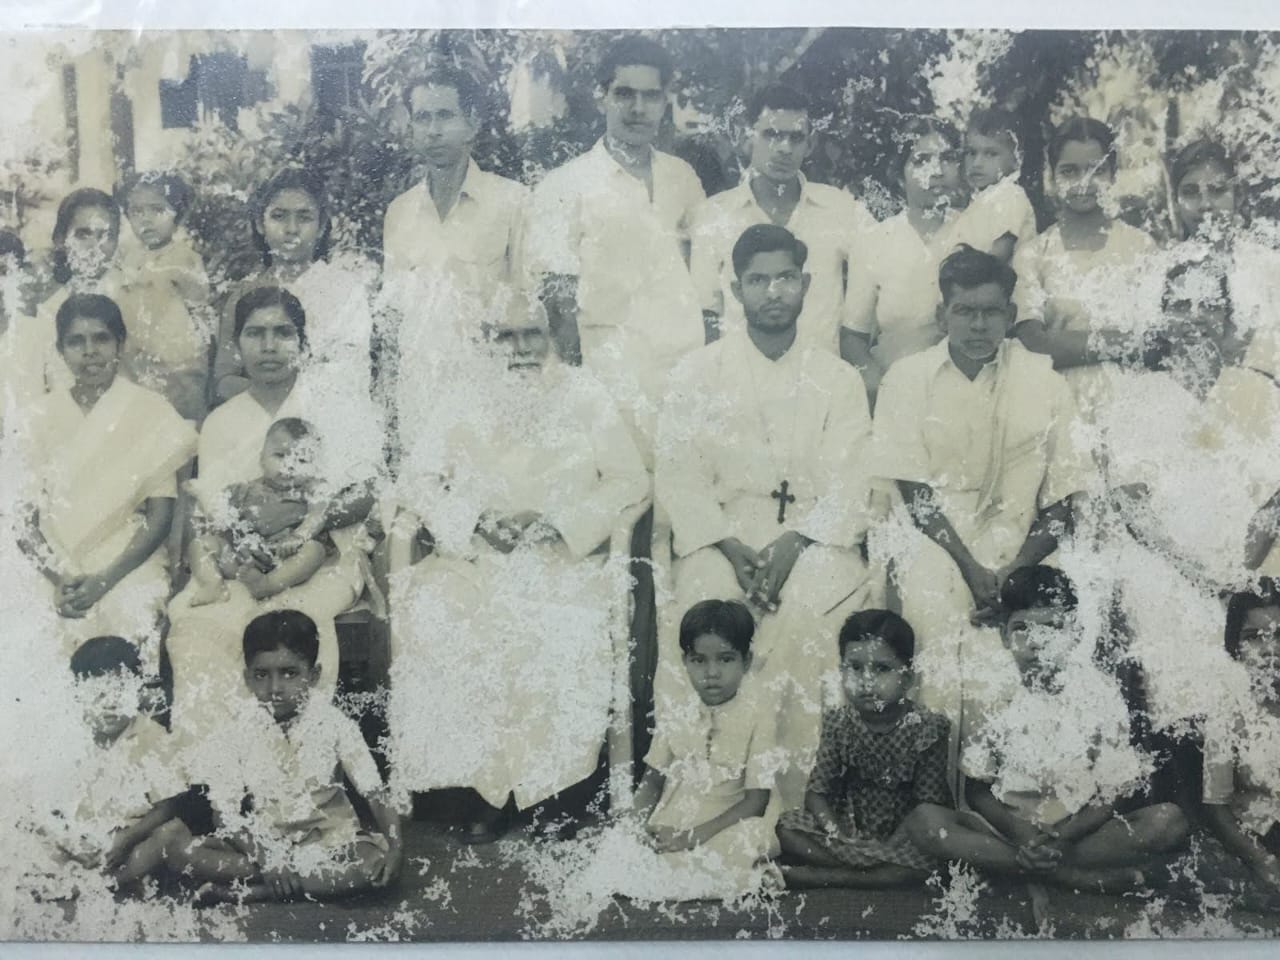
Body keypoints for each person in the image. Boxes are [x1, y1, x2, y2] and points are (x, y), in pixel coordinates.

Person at [388, 291, 648, 842]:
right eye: (506, 336)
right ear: (487, 342)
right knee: (448, 617)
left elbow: (630, 481)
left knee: (554, 631)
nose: (521, 348)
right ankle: (483, 793)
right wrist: (475, 518)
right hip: (476, 557)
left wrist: (557, 520)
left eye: (532, 334)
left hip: (560, 559)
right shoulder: (460, 396)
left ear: (552, 338)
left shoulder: (584, 394)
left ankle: (553, 794)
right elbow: (417, 480)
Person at [655, 223, 878, 811]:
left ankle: (803, 801)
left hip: (812, 536)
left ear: (806, 285)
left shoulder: (838, 379)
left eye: (785, 279)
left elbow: (854, 479)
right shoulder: (695, 374)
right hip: (723, 534)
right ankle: (703, 796)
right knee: (701, 605)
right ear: (736, 289)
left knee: (809, 614)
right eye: (758, 280)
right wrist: (730, 546)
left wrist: (794, 542)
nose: (773, 292)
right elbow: (678, 473)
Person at [869, 245, 1091, 773]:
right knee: (933, 619)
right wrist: (973, 569)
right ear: (943, 314)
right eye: (965, 311)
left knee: (1034, 639)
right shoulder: (908, 378)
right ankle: (938, 796)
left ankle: (1021, 801)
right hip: (937, 542)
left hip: (1024, 543)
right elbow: (915, 495)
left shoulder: (1044, 382)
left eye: (991, 311)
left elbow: (1064, 499)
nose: (978, 324)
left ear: (1011, 317)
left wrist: (1017, 571)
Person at [908, 567, 1189, 909]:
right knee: (924, 821)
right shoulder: (993, 694)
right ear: (1003, 635)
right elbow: (977, 789)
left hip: (1077, 833)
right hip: (1008, 832)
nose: (1036, 641)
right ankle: (1071, 877)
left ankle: (1019, 869)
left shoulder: (1098, 693)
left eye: (1052, 628)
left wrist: (1063, 840)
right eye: (1021, 628)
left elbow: (1113, 790)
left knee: (1167, 820)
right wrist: (1023, 837)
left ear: (1075, 633)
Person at [167, 287, 375, 743]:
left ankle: (297, 781)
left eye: (283, 332)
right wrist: (242, 544)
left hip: (320, 556)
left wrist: (307, 528)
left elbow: (365, 493)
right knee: (198, 626)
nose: (269, 346)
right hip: (242, 558)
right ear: (236, 345)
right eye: (255, 333)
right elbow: (215, 507)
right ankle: (217, 777)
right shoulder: (222, 419)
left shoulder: (337, 403)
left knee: (292, 626)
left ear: (303, 341)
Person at [160, 611, 401, 906]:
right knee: (181, 854)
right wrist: (270, 858)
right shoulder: (235, 731)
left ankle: (254, 892)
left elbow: (375, 793)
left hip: (333, 841)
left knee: (370, 866)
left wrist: (396, 847)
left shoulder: (334, 723)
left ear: (313, 676)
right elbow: (224, 814)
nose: (275, 688)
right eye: (262, 675)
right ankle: (289, 879)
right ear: (247, 678)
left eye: (289, 673)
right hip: (267, 845)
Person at [14, 294, 196, 669]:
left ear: (120, 344)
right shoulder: (37, 417)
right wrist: (58, 575)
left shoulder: (151, 410)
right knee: (31, 624)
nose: (90, 351)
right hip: (54, 555)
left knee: (129, 612)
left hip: (125, 559)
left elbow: (160, 517)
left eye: (101, 339)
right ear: (61, 350)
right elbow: (23, 517)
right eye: (76, 341)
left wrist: (105, 579)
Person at [687, 82, 876, 352]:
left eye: (796, 137)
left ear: (810, 145)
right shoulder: (714, 215)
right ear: (748, 137)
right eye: (772, 135)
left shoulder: (842, 209)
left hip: (820, 380)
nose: (784, 148)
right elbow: (706, 314)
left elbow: (881, 268)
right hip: (742, 380)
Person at [615, 599, 782, 900]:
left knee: (751, 838)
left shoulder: (760, 715)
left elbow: (757, 802)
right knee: (621, 844)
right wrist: (634, 824)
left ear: (746, 661)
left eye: (725, 659)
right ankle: (683, 874)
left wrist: (694, 837)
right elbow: (652, 783)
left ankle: (684, 876)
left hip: (727, 824)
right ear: (685, 661)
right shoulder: (676, 710)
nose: (712, 672)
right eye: (699, 660)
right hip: (677, 820)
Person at [776, 610, 951, 889]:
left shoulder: (928, 728)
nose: (866, 681)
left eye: (881, 669)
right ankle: (870, 874)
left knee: (933, 860)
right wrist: (840, 836)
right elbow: (817, 794)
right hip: (849, 828)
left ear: (908, 678)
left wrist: (889, 848)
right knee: (786, 828)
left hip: (905, 835)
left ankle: (831, 876)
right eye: (855, 668)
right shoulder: (839, 721)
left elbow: (927, 806)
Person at [20, 636, 195, 900]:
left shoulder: (151, 737)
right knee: (24, 824)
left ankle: (100, 884)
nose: (111, 704)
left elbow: (167, 806)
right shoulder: (67, 739)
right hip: (77, 838)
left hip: (125, 840)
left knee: (168, 835)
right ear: (77, 693)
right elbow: (48, 805)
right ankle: (72, 877)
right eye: (99, 694)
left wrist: (127, 838)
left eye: (120, 693)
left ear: (137, 690)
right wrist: (68, 838)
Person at [1012, 116, 1159, 420]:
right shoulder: (1034, 254)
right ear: (1051, 176)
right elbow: (1034, 344)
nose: (1083, 182)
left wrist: (1067, 342)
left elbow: (1153, 343)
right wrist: (1120, 341)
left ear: (1112, 174)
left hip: (1130, 404)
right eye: (1069, 171)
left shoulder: (1140, 247)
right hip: (1058, 405)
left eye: (1096, 170)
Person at [211, 168, 379, 424]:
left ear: (321, 226)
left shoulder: (345, 290)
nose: (291, 229)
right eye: (279, 216)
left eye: (304, 217)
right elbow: (224, 380)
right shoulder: (244, 294)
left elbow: (352, 376)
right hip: (261, 421)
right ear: (260, 224)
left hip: (329, 421)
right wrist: (271, 396)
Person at [381, 66, 527, 343]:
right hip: (417, 378)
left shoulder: (512, 201)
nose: (433, 131)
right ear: (411, 128)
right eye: (423, 118)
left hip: (487, 376)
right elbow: (394, 316)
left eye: (445, 116)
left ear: (472, 124)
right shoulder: (399, 212)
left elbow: (528, 306)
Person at [841, 117, 966, 399]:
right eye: (921, 160)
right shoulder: (875, 240)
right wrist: (880, 388)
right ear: (900, 174)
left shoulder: (975, 231)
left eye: (947, 159)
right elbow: (853, 338)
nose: (937, 171)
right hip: (895, 392)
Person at [4, 189, 130, 414]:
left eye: (106, 235)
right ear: (60, 239)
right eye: (83, 234)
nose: (95, 247)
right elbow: (28, 398)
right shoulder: (43, 311)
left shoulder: (133, 298)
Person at [188, 417, 331, 608]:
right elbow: (220, 520)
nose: (289, 465)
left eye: (302, 459)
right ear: (261, 458)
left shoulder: (311, 490)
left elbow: (318, 514)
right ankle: (212, 584)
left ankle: (266, 585)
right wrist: (203, 496)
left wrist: (299, 536)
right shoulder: (242, 490)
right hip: (243, 559)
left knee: (314, 551)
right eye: (280, 455)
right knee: (202, 544)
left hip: (285, 558)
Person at [1202, 581, 1280, 909]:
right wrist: (1263, 862)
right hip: (1262, 834)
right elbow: (1215, 807)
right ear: (1234, 647)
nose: (1270, 649)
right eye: (1253, 638)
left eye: (1279, 634)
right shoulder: (1228, 713)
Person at [115, 171, 213, 421]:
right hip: (136, 358)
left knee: (179, 420)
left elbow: (201, 313)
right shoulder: (127, 258)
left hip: (178, 362)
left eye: (157, 210)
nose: (146, 220)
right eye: (137, 212)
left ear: (176, 215)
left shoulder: (185, 258)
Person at [950, 108, 1038, 263]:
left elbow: (998, 257)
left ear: (1017, 159)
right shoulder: (980, 200)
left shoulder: (1010, 195)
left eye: (990, 154)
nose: (977, 163)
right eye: (971, 153)